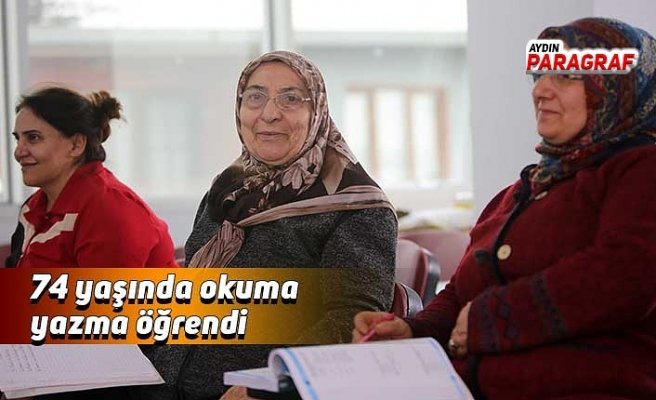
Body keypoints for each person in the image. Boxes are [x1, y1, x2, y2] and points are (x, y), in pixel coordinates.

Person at [354, 17, 656, 400]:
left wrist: (488, 318)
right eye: (539, 75)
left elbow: (624, 276)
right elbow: (461, 293)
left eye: (565, 77)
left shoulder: (640, 169)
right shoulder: (517, 193)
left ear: (616, 88)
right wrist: (414, 331)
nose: (540, 90)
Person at [139, 50, 397, 400]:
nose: (269, 113)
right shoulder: (227, 191)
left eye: (291, 99)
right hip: (162, 382)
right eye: (255, 97)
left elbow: (349, 321)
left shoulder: (356, 206)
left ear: (317, 112)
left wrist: (273, 384)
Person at [7, 86, 177, 268]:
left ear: (76, 145)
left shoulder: (108, 211)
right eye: (18, 139)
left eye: (33, 138)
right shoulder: (34, 206)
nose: (18, 152)